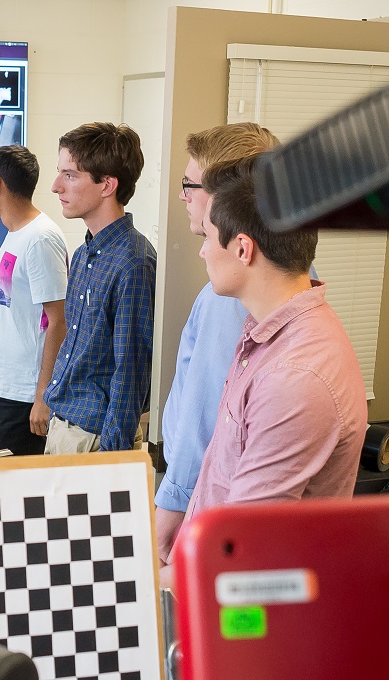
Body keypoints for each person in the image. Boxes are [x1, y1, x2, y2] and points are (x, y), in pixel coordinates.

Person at [183, 157, 366, 525]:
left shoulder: (294, 377)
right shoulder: (264, 334)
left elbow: (243, 544)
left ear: (242, 249)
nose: (203, 251)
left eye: (207, 236)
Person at [155, 123, 276, 561]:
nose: (183, 196)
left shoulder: (232, 291)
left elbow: (206, 414)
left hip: (203, 501)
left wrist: (170, 507)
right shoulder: (276, 265)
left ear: (224, 194)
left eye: (190, 185)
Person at [42, 123, 156, 454]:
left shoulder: (133, 263)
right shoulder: (83, 254)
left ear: (107, 185)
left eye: (70, 175)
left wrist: (112, 461)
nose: (55, 186)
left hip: (94, 441)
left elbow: (130, 372)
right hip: (64, 427)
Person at [0, 145, 69, 457]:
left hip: (24, 397)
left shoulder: (41, 238)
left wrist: (43, 396)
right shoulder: (16, 232)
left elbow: (59, 320)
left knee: (17, 500)